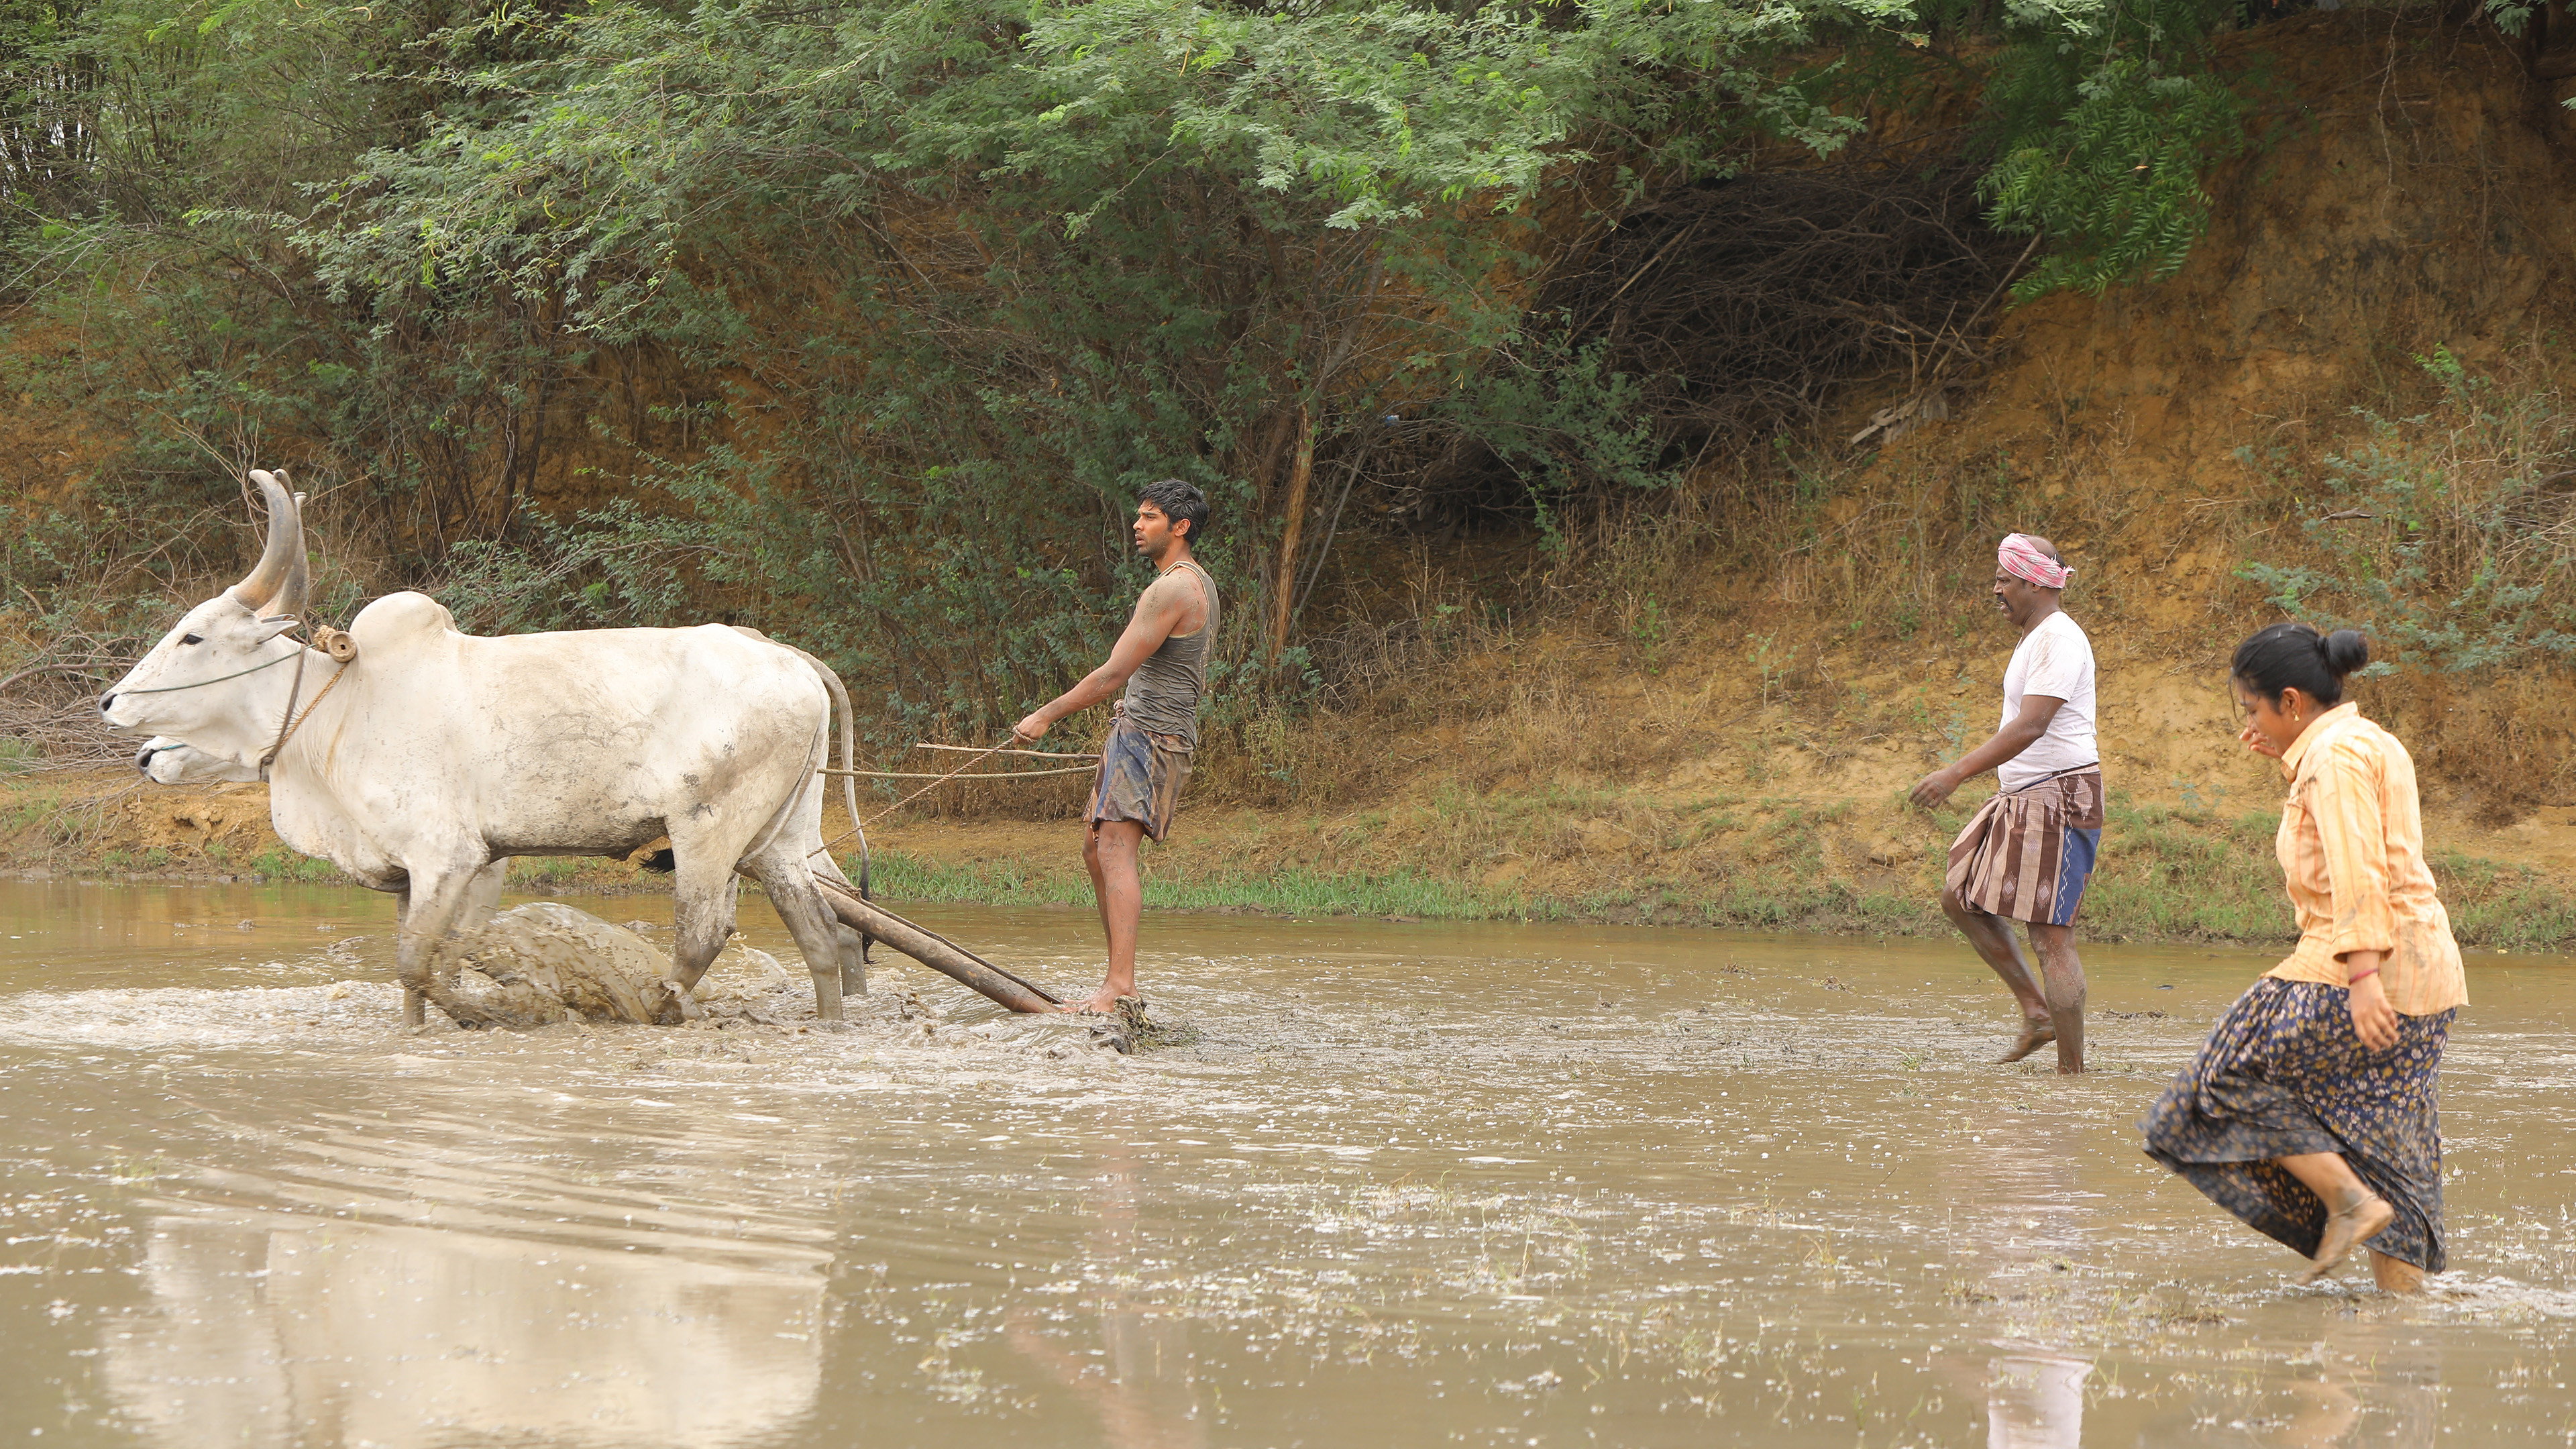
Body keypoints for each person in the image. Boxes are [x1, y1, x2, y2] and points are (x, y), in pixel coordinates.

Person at [2141, 623, 2465, 1291]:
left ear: (2290, 702)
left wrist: (2363, 976)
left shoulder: (2332, 760)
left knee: (2221, 1079)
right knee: (2390, 1158)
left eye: (2253, 710)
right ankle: (2401, 1322)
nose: (2249, 726)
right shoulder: (2368, 741)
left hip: (2355, 968)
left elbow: (2358, 871)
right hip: (2429, 975)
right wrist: (2289, 756)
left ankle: (2347, 1201)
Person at [1013, 480, 1220, 1016]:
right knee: (1095, 848)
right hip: (1140, 732)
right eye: (1139, 515)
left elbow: (1112, 674)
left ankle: (1119, 987)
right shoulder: (1187, 582)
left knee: (1113, 850)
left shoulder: (1174, 588)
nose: (1137, 525)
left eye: (1150, 517)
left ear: (1180, 527)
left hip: (1152, 737)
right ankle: (1115, 980)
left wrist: (1045, 715)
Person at [1909, 533, 2101, 1074]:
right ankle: (2038, 1014)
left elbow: (2032, 725)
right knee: (1960, 896)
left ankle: (2071, 1077)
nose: (1996, 590)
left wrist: (1955, 772)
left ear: (2035, 583)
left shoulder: (2059, 639)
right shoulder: (2036, 638)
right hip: (2024, 795)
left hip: (2059, 796)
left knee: (2051, 937)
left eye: (2004, 580)